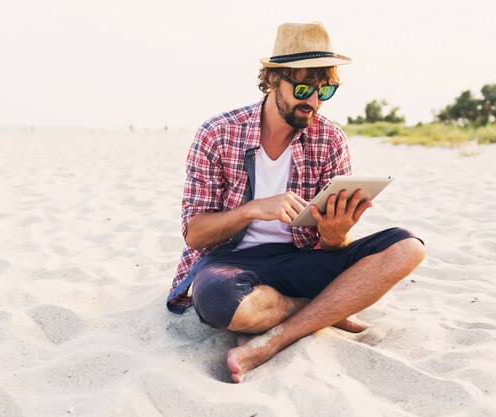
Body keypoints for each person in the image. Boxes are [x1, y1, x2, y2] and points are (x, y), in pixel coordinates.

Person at [166, 22, 425, 383]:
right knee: (219, 302)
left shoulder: (330, 138)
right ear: (272, 80)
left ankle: (274, 339)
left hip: (302, 258)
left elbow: (332, 246)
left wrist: (335, 235)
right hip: (231, 262)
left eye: (325, 90)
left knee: (407, 248)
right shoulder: (218, 133)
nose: (313, 102)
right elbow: (194, 234)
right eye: (303, 87)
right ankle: (325, 309)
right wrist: (253, 209)